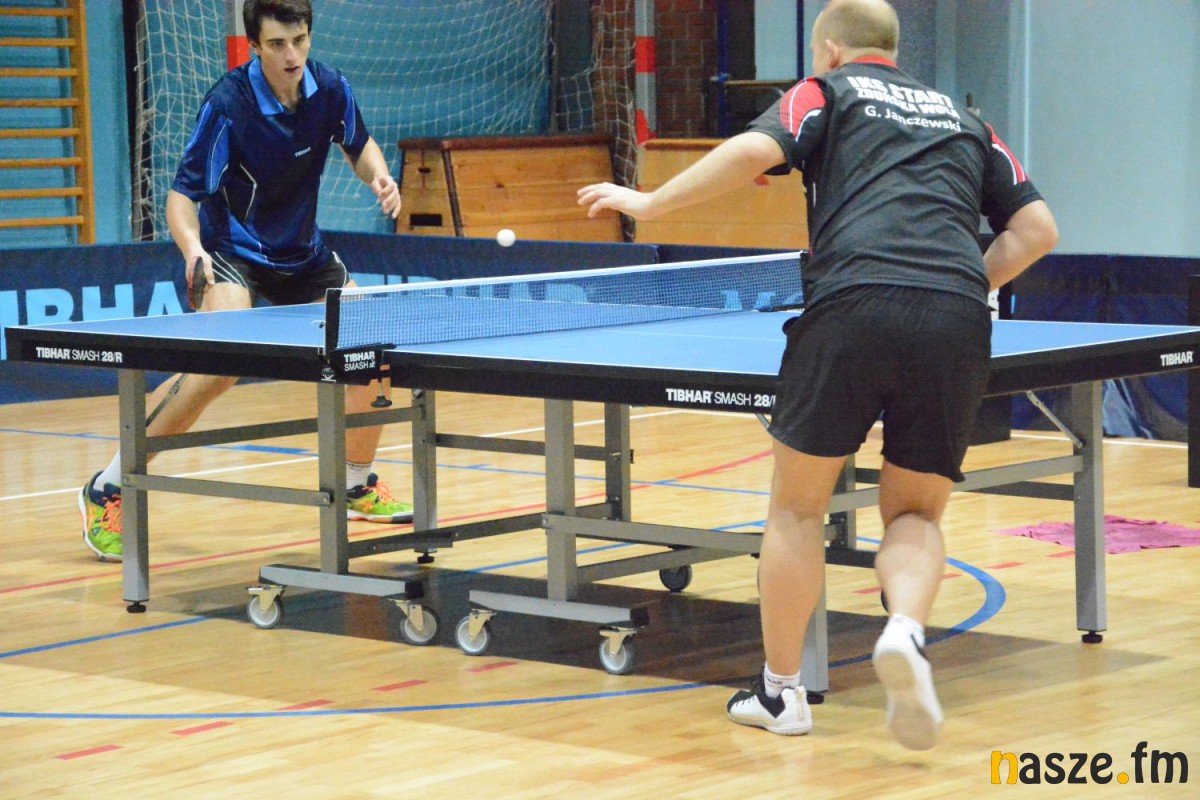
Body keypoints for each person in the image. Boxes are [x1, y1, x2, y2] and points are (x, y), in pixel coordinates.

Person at [578, 0, 1057, 750]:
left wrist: (649, 201)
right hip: (956, 319)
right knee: (916, 514)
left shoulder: (823, 92)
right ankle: (903, 630)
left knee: (798, 510)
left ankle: (782, 693)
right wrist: (964, 284)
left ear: (829, 49)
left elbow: (752, 150)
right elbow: (1037, 230)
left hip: (852, 303)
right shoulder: (968, 121)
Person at [79, 0, 413, 563]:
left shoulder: (330, 89)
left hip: (302, 253)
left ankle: (356, 481)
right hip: (233, 251)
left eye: (300, 41)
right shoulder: (228, 105)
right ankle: (108, 485)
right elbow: (182, 198)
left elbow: (359, 146)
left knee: (372, 349)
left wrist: (379, 176)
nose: (292, 55)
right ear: (255, 46)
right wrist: (193, 252)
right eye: (278, 44)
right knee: (218, 366)